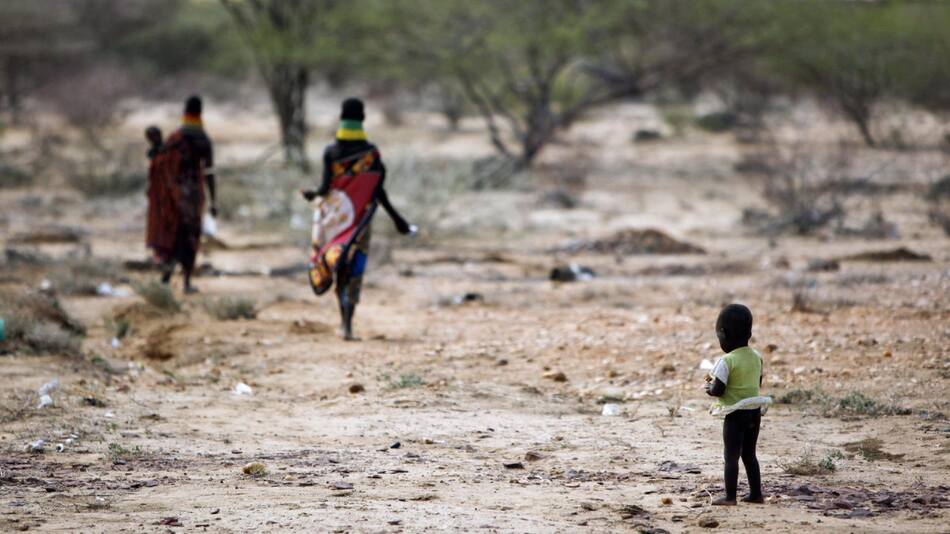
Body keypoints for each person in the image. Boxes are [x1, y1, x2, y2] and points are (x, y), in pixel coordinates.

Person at [301, 97, 413, 340]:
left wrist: (312, 194)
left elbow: (324, 188)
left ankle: (343, 320)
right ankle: (346, 324)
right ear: (362, 119)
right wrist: (398, 219)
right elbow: (378, 190)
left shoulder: (331, 152)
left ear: (341, 119)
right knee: (354, 270)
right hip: (360, 222)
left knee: (337, 264)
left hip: (333, 222)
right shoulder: (372, 155)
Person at [145, 95, 217, 293]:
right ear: (200, 112)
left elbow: (159, 161)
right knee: (191, 236)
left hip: (175, 195)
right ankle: (185, 282)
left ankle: (167, 278)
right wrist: (214, 201)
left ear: (185, 112)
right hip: (194, 196)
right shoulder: (204, 140)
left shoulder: (175, 139)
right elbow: (210, 172)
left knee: (174, 233)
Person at [704, 303, 771, 506]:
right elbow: (756, 384)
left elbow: (719, 390)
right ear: (749, 332)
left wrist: (709, 388)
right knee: (750, 455)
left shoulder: (726, 361)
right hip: (754, 412)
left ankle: (730, 497)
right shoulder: (756, 357)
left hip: (735, 415)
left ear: (723, 334)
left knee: (731, 456)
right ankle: (756, 494)